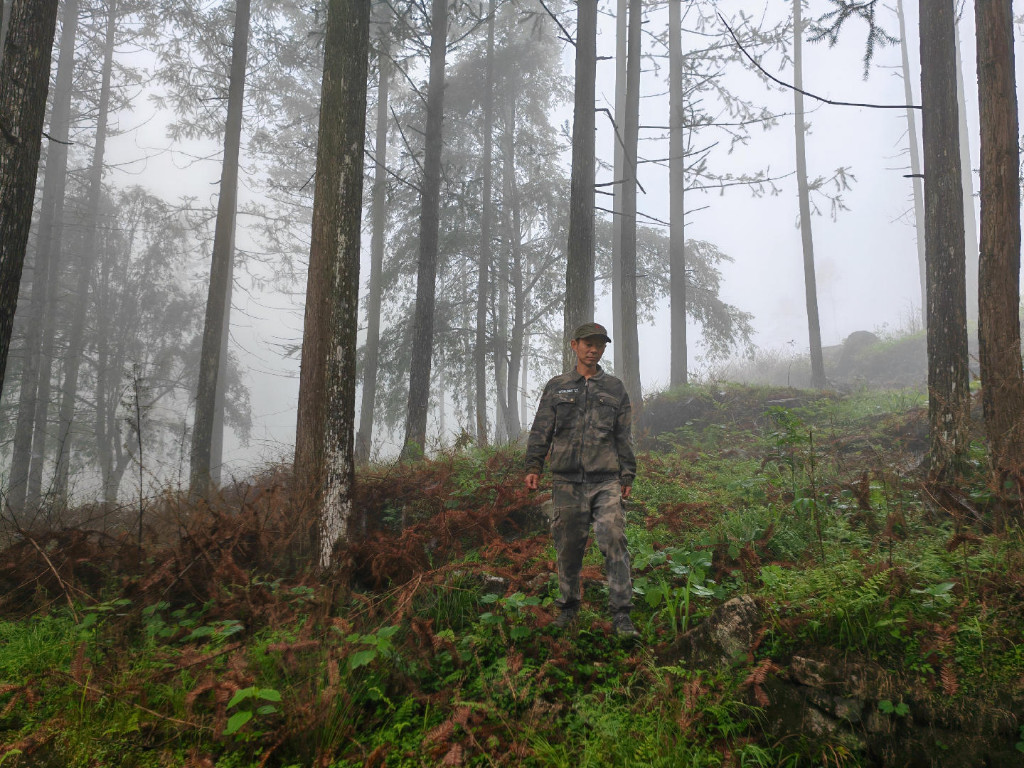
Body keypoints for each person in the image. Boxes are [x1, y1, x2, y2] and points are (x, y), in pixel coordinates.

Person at [524, 322, 639, 637]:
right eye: (588, 343)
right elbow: (541, 428)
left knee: (614, 537)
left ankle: (622, 615)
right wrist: (533, 464)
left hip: (606, 480)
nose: (594, 349)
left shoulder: (615, 388)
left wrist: (628, 472)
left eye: (600, 344)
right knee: (568, 546)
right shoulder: (557, 387)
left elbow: (623, 435)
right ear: (574, 345)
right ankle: (568, 608)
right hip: (566, 481)